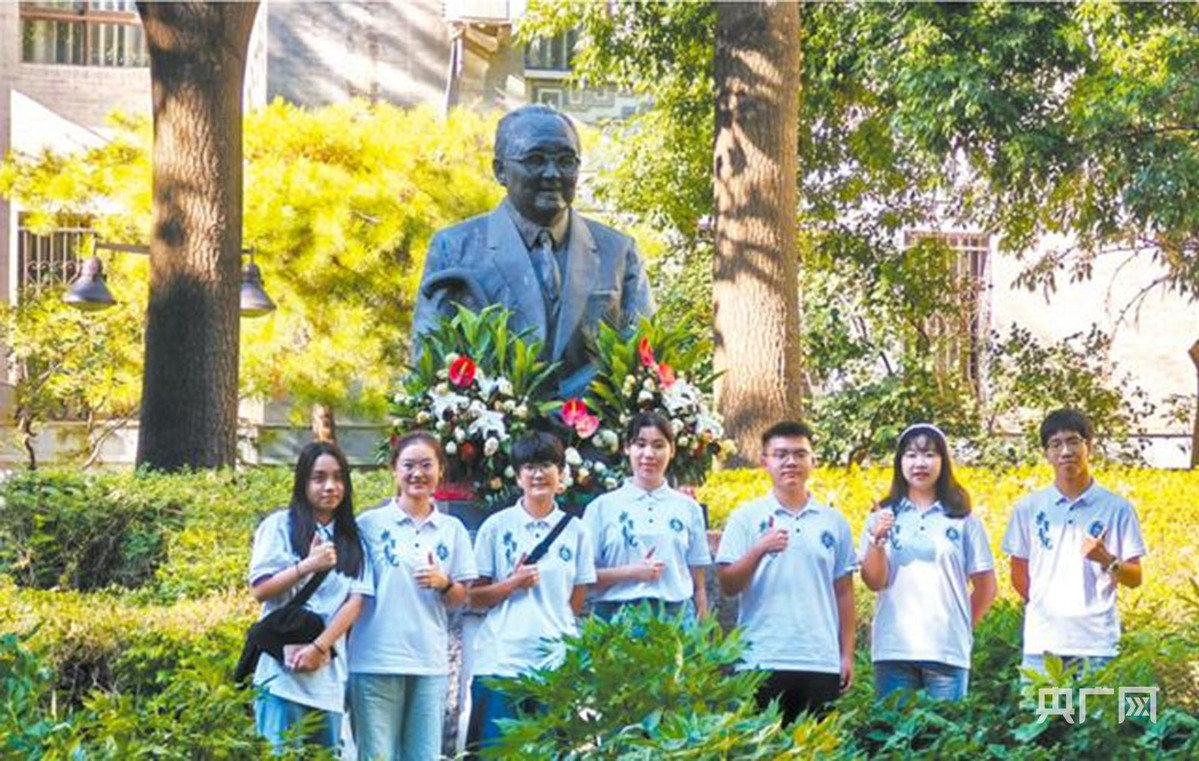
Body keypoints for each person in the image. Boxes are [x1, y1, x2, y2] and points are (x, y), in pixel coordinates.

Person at [412, 104, 654, 399]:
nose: (552, 174)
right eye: (535, 160)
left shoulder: (618, 251)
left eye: (566, 161)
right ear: (500, 170)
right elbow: (430, 362)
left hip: (594, 424)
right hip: (493, 424)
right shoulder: (455, 248)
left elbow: (644, 357)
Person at [348, 431, 478, 761]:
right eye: (408, 465)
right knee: (377, 755)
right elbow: (352, 593)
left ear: (440, 470)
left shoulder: (452, 529)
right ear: (394, 469)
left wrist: (443, 582)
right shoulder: (368, 525)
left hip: (429, 662)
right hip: (374, 659)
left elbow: (461, 598)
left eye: (426, 465)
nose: (417, 473)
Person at [715, 421, 856, 723]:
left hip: (819, 659)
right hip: (759, 658)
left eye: (799, 454)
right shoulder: (745, 518)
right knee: (760, 745)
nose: (791, 462)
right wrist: (759, 549)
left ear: (813, 460)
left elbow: (844, 592)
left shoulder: (834, 522)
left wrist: (846, 654)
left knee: (816, 746)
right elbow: (728, 584)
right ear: (764, 461)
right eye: (780, 454)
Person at [466, 432, 596, 751]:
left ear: (561, 472)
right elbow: (473, 597)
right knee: (498, 752)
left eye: (547, 465)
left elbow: (576, 599)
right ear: (517, 475)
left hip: (555, 665)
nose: (538, 474)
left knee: (553, 752)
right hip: (501, 661)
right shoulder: (496, 527)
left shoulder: (577, 532)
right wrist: (512, 583)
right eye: (529, 466)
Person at [248, 441, 372, 752]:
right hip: (279, 679)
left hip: (328, 681)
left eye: (338, 477)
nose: (330, 487)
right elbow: (261, 589)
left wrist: (319, 647)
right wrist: (306, 566)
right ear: (303, 481)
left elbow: (355, 602)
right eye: (319, 478)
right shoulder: (279, 526)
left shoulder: (354, 539)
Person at [1002, 408, 1145, 677]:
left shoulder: (1118, 508)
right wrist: (1047, 607)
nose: (1065, 451)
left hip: (1098, 646)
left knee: (1097, 707)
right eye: (1055, 444)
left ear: (1089, 446)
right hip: (1043, 647)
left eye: (1073, 441)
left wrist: (1106, 559)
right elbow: (1018, 573)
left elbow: (1135, 578)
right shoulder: (1028, 508)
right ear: (1046, 453)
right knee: (1042, 706)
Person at [858, 423, 997, 701]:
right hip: (893, 648)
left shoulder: (963, 519)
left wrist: (960, 627)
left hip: (946, 651)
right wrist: (877, 539)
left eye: (929, 454)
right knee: (893, 727)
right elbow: (874, 581)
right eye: (911, 455)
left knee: (947, 728)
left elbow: (986, 587)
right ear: (899, 463)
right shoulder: (882, 516)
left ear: (943, 462)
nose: (920, 463)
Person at [584, 411, 711, 622]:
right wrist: (631, 572)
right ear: (627, 448)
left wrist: (703, 627)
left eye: (658, 445)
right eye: (640, 444)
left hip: (674, 623)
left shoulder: (688, 508)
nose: (649, 454)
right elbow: (583, 578)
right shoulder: (601, 508)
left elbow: (699, 585)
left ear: (672, 450)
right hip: (615, 622)